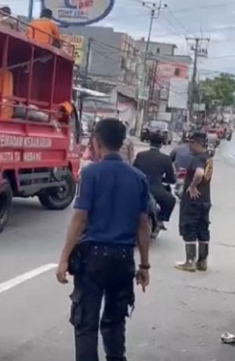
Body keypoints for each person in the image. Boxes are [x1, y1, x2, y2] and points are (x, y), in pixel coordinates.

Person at [56, 118, 151, 361]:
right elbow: (143, 226)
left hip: (93, 260)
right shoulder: (138, 177)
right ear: (121, 143)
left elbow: (79, 218)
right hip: (123, 260)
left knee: (86, 322)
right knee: (115, 321)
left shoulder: (91, 174)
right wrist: (144, 266)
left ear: (97, 142)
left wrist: (64, 259)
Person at [175, 132, 214, 272]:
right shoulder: (208, 158)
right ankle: (202, 261)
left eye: (191, 142)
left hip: (193, 200)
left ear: (198, 143)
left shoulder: (198, 158)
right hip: (205, 199)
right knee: (203, 228)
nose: (189, 145)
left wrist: (192, 186)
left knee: (189, 227)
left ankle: (190, 261)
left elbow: (199, 173)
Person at [133, 132, 176, 234]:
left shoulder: (141, 155)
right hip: (156, 189)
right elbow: (171, 178)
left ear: (150, 143)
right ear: (161, 145)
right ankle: (161, 219)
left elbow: (134, 170)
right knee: (171, 200)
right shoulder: (166, 158)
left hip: (139, 187)